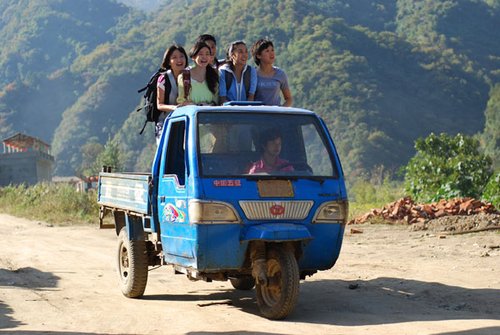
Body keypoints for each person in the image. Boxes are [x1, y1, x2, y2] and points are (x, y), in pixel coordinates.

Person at [155, 44, 188, 143]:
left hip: (184, 121)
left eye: (181, 56)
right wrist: (175, 108)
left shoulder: (190, 76)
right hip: (165, 122)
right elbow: (159, 105)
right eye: (174, 57)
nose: (179, 60)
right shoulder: (163, 79)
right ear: (169, 62)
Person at [251, 38, 293, 107]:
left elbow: (289, 99)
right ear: (258, 55)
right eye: (267, 51)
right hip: (258, 114)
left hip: (275, 116)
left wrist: (281, 110)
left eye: (272, 50)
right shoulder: (252, 74)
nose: (271, 53)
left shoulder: (280, 74)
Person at [177, 41, 219, 106]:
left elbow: (216, 100)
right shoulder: (185, 77)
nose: (204, 57)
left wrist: (209, 105)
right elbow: (181, 101)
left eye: (207, 54)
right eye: (200, 54)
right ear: (193, 57)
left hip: (210, 114)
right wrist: (195, 106)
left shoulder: (214, 76)